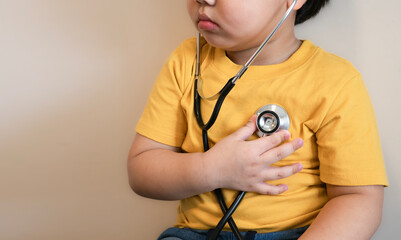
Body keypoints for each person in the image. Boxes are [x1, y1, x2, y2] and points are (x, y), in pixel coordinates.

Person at [128, 0, 389, 239]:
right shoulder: (186, 63)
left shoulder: (334, 81)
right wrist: (210, 169)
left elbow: (359, 198)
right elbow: (141, 171)